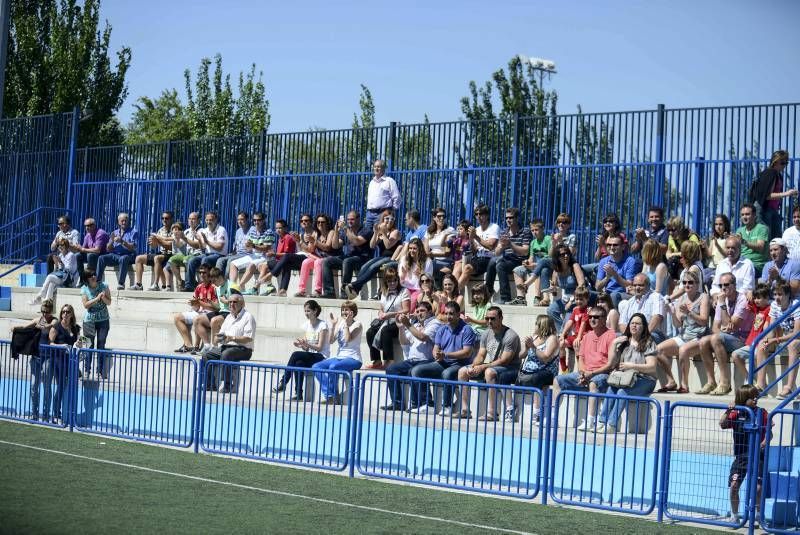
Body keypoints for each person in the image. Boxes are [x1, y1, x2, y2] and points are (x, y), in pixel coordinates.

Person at [596, 313, 658, 434]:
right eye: (632, 323)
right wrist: (614, 344)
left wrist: (632, 366)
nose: (634, 326)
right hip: (626, 379)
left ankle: (612, 424)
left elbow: (652, 367)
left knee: (622, 392)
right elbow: (612, 362)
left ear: (644, 327)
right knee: (611, 389)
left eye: (638, 323)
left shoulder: (648, 342)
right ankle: (602, 422)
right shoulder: (624, 342)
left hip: (645, 380)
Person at [557, 306, 616, 432]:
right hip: (586, 373)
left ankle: (590, 420)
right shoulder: (587, 336)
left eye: (596, 317)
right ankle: (553, 416)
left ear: (604, 319)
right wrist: (583, 373)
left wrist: (591, 374)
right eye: (590, 317)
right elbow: (581, 359)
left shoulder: (611, 335)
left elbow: (610, 365)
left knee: (594, 383)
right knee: (557, 380)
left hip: (603, 373)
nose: (592, 319)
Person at [456, 306, 521, 420]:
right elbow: (481, 355)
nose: (489, 321)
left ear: (501, 318)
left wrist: (483, 367)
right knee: (463, 371)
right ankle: (465, 410)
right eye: (487, 318)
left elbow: (504, 360)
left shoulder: (511, 335)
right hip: (494, 365)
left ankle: (492, 412)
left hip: (511, 369)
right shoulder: (486, 333)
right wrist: (473, 366)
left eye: (493, 318)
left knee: (489, 372)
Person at [411, 301, 475, 414]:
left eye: (451, 313)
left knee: (447, 374)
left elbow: (467, 353)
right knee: (417, 370)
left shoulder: (467, 329)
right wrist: (436, 354)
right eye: (446, 313)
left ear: (458, 314)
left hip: (460, 364)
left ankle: (447, 406)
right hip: (443, 362)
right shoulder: (442, 329)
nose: (448, 316)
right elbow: (436, 347)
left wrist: (445, 354)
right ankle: (427, 404)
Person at [719, 384, 770, 525]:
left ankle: (759, 516)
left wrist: (764, 442)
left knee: (758, 488)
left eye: (756, 396)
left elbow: (769, 432)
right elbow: (722, 424)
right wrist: (728, 411)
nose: (755, 399)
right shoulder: (737, 412)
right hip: (741, 457)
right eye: (752, 397)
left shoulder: (762, 413)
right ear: (743, 398)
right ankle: (735, 516)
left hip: (757, 455)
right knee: (734, 486)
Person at [697, 272, 755, 396]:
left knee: (716, 338)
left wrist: (722, 305)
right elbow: (715, 327)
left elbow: (733, 324)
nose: (723, 288)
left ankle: (724, 382)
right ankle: (711, 381)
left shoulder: (742, 299)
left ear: (734, 285)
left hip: (743, 339)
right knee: (703, 341)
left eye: (726, 284)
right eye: (721, 285)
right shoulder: (722, 300)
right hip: (730, 337)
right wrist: (724, 329)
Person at [656, 269, 710, 394]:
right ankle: (671, 381)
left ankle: (684, 385)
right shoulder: (682, 299)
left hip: (699, 336)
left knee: (683, 349)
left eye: (690, 282)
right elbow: (678, 324)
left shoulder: (703, 297)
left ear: (697, 284)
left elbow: (704, 321)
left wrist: (689, 313)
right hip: (684, 335)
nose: (687, 285)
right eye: (684, 282)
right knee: (658, 349)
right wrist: (672, 312)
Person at [383, 301, 440, 412]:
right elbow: (404, 342)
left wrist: (408, 324)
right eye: (417, 311)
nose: (419, 313)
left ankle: (426, 403)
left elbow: (423, 337)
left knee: (414, 371)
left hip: (427, 361)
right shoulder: (416, 325)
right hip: (412, 360)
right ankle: (397, 402)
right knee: (391, 369)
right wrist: (400, 327)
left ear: (430, 312)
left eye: (422, 311)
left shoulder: (434, 323)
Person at [272, 299, 330, 400]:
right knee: (299, 363)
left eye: (308, 311)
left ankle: (284, 382)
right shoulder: (306, 325)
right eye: (305, 311)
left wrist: (306, 344)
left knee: (295, 355)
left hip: (321, 357)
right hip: (311, 355)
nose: (306, 313)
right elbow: (307, 349)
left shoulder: (322, 325)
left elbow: (319, 348)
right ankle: (299, 394)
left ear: (315, 311)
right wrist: (301, 345)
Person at [202, 291, 256, 394]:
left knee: (226, 354)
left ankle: (227, 385)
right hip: (226, 346)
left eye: (234, 302)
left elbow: (248, 338)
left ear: (242, 304)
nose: (231, 304)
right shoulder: (229, 317)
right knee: (207, 355)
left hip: (243, 349)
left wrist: (232, 338)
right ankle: (210, 385)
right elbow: (222, 334)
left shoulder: (248, 317)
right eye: (230, 302)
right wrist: (218, 338)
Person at [11, 299, 57, 421]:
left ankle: (46, 415)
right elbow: (26, 326)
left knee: (47, 387)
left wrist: (43, 325)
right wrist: (16, 328)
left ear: (51, 311)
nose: (44, 314)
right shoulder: (38, 319)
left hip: (48, 359)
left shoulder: (54, 320)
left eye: (46, 312)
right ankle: (34, 413)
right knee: (33, 386)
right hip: (35, 358)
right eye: (42, 311)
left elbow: (50, 325)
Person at [754, 280, 800, 398]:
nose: (776, 298)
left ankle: (789, 387)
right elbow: (772, 330)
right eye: (774, 294)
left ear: (788, 295)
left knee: (793, 344)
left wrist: (775, 340)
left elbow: (796, 333)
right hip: (783, 338)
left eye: (780, 294)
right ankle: (760, 385)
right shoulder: (774, 305)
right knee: (761, 344)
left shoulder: (796, 305)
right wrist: (767, 340)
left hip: (795, 339)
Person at [312, 300, 363, 404]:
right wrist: (334, 325)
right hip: (339, 357)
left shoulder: (358, 324)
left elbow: (348, 339)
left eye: (347, 310)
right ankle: (330, 395)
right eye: (343, 310)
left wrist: (347, 325)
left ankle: (334, 397)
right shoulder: (340, 324)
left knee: (333, 367)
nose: (344, 312)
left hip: (353, 358)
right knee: (316, 366)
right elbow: (331, 341)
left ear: (352, 312)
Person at [343, 209, 401, 299]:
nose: (389, 221)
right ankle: (356, 290)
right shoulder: (382, 231)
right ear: (382, 220)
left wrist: (384, 234)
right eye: (387, 219)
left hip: (392, 257)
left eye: (392, 219)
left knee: (373, 267)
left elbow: (388, 246)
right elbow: (372, 245)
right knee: (364, 266)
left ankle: (354, 285)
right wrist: (376, 232)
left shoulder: (395, 232)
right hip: (382, 257)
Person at [514, 315, 559, 422]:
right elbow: (521, 356)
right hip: (528, 371)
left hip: (547, 372)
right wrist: (526, 347)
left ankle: (537, 412)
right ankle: (510, 408)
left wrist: (533, 347)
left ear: (542, 326)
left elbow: (545, 358)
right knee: (504, 376)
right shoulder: (534, 337)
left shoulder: (552, 339)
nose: (535, 326)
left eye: (536, 324)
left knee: (537, 378)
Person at [364, 267, 410, 370]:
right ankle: (377, 361)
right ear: (386, 282)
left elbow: (406, 310)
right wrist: (381, 313)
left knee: (386, 331)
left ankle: (389, 360)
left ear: (398, 280)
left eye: (395, 280)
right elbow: (381, 309)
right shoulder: (384, 292)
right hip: (386, 321)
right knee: (370, 332)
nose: (392, 283)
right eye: (389, 281)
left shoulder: (404, 291)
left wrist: (390, 314)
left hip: (400, 321)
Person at [485, 207, 532, 305]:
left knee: (500, 265)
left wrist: (510, 244)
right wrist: (502, 246)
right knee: (493, 260)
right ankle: (488, 291)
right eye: (506, 218)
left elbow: (525, 251)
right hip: (508, 259)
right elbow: (496, 252)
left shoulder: (525, 231)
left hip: (520, 260)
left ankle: (505, 297)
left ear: (517, 218)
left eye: (511, 218)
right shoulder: (504, 232)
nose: (508, 220)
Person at [322, 211, 372, 299]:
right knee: (327, 261)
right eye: (348, 219)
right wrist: (337, 231)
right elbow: (335, 245)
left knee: (347, 261)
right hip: (349, 258)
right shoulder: (346, 231)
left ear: (358, 219)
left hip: (362, 258)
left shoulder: (366, 231)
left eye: (352, 219)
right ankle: (329, 291)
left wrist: (345, 228)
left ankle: (344, 291)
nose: (349, 222)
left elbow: (356, 241)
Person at [265, 214, 317, 297]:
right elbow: (300, 250)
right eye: (302, 221)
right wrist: (297, 240)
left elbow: (310, 250)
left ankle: (270, 274)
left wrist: (299, 241)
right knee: (286, 263)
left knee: (287, 256)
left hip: (310, 257)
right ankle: (283, 290)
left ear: (311, 222)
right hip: (301, 256)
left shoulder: (314, 233)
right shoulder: (301, 234)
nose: (304, 222)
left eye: (306, 221)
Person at [47, 304, 81, 424]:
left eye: (68, 312)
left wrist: (79, 344)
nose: (65, 314)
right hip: (58, 360)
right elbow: (50, 343)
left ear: (72, 314)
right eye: (63, 312)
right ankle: (56, 414)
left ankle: (71, 415)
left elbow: (78, 342)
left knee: (72, 387)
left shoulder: (75, 328)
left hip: (71, 361)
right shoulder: (56, 327)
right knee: (60, 386)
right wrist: (62, 346)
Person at [750, 149, 795, 239]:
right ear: (775, 161)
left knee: (776, 240)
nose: (784, 165)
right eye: (782, 162)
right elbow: (767, 195)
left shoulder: (778, 175)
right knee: (766, 239)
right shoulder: (770, 173)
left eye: (786, 163)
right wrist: (786, 193)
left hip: (772, 210)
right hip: (764, 210)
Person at [172, 265, 218, 353]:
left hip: (209, 314)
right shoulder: (199, 287)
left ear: (209, 273)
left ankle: (197, 346)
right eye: (200, 272)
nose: (202, 274)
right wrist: (193, 304)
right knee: (177, 317)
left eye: (204, 272)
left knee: (198, 318)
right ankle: (188, 345)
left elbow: (215, 308)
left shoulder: (214, 287)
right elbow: (196, 306)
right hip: (199, 312)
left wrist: (200, 303)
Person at [545, 245, 587, 332]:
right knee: (551, 310)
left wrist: (571, 301)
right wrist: (552, 289)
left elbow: (581, 286)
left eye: (567, 253)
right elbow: (555, 292)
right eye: (562, 254)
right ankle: (561, 332)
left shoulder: (574, 266)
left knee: (568, 320)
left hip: (577, 299)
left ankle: (562, 334)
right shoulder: (556, 270)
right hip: (565, 300)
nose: (566, 256)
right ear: (557, 257)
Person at [458, 204, 499, 290]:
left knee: (467, 268)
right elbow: (474, 251)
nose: (478, 217)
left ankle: (455, 292)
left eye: (481, 214)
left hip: (489, 259)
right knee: (458, 265)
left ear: (487, 215)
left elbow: (491, 246)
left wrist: (475, 236)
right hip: (477, 258)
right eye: (476, 214)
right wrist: (471, 239)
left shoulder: (494, 227)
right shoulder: (477, 229)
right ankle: (453, 291)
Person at [80, 269, 112, 380]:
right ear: (86, 279)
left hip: (103, 320)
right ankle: (87, 370)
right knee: (88, 345)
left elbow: (109, 302)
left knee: (101, 344)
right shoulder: (84, 289)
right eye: (90, 276)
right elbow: (85, 305)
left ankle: (100, 371)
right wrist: (97, 298)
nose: (93, 277)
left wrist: (103, 298)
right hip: (89, 321)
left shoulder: (104, 286)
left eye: (94, 274)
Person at [296, 214, 338, 298]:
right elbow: (310, 250)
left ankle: (318, 290)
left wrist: (315, 241)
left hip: (328, 258)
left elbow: (327, 247)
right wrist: (300, 241)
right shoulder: (316, 234)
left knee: (318, 262)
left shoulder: (331, 232)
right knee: (306, 262)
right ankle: (301, 290)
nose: (320, 224)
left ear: (327, 223)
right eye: (318, 222)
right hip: (317, 257)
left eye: (322, 222)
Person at [510, 217, 550, 306]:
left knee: (539, 269)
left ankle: (537, 297)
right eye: (532, 230)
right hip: (534, 265)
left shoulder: (548, 239)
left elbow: (550, 257)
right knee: (517, 270)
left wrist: (534, 264)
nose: (534, 232)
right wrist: (527, 262)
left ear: (542, 229)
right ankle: (521, 298)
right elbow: (531, 257)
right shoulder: (533, 242)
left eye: (536, 230)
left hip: (544, 266)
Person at [185, 211, 228, 292]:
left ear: (216, 220)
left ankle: (204, 284)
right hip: (207, 254)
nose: (208, 222)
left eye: (211, 220)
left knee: (205, 260)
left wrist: (207, 241)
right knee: (192, 260)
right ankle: (189, 285)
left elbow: (219, 247)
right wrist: (199, 240)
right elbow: (203, 248)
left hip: (219, 254)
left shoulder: (221, 230)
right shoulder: (205, 230)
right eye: (207, 220)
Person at [618, 273, 666, 343]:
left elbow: (657, 317)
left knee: (645, 341)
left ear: (648, 285)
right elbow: (622, 323)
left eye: (641, 285)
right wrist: (629, 336)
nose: (637, 288)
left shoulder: (656, 297)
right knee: (616, 339)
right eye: (635, 285)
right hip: (633, 335)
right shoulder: (630, 302)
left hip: (653, 333)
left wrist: (644, 335)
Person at [232, 212, 275, 290]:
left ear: (263, 220)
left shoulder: (269, 232)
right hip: (253, 255)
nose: (256, 222)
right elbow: (249, 248)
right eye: (254, 220)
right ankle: (232, 286)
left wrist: (254, 246)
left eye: (258, 220)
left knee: (251, 264)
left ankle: (239, 287)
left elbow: (266, 248)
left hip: (264, 256)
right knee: (233, 264)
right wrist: (247, 245)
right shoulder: (252, 231)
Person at [132, 211, 174, 291]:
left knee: (157, 258)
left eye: (167, 218)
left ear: (171, 219)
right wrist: (152, 243)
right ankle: (139, 284)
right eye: (163, 218)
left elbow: (169, 246)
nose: (164, 220)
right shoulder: (160, 230)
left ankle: (156, 284)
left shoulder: (174, 230)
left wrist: (158, 241)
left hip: (170, 253)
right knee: (139, 258)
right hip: (161, 253)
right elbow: (155, 246)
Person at [193, 267, 231, 351]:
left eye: (214, 281)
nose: (213, 284)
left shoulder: (231, 286)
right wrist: (212, 303)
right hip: (221, 312)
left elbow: (239, 303)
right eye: (212, 281)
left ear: (220, 277)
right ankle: (207, 345)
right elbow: (219, 307)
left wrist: (227, 301)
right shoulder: (217, 288)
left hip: (230, 313)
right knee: (197, 319)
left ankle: (215, 347)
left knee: (214, 320)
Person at [29, 238, 78, 304]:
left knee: (49, 277)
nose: (60, 247)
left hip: (70, 280)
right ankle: (47, 303)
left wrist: (60, 261)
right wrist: (57, 264)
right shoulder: (60, 255)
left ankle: (39, 297)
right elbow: (60, 270)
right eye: (58, 245)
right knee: (51, 283)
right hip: (63, 278)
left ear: (66, 246)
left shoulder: (71, 255)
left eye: (62, 245)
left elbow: (69, 269)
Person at [96, 212, 138, 290]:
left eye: (126, 220)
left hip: (128, 254)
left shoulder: (133, 232)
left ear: (128, 221)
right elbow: (108, 249)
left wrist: (122, 241)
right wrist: (111, 242)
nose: (124, 222)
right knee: (101, 258)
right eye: (122, 221)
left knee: (123, 258)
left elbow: (132, 247)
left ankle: (121, 283)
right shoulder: (114, 233)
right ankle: (98, 282)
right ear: (118, 222)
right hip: (115, 254)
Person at [595, 234, 637, 306]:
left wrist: (614, 274)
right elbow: (597, 287)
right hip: (607, 293)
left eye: (615, 245)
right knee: (588, 295)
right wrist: (607, 278)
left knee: (613, 296)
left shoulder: (630, 261)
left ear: (623, 247)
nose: (611, 247)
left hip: (623, 293)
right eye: (609, 245)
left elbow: (629, 285)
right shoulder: (603, 261)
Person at [557, 287, 591, 374]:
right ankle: (564, 370)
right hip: (576, 335)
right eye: (577, 299)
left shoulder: (587, 310)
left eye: (581, 299)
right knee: (561, 344)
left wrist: (579, 337)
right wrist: (563, 334)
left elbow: (583, 324)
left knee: (577, 345)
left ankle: (580, 370)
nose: (578, 301)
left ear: (587, 299)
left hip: (585, 336)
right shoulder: (575, 309)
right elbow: (570, 322)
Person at [166, 213, 202, 291]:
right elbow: (180, 245)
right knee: (172, 260)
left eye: (193, 219)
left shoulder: (201, 231)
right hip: (187, 255)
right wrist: (176, 239)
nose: (191, 221)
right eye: (189, 219)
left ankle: (189, 284)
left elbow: (196, 246)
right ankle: (181, 281)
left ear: (198, 220)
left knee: (187, 260)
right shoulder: (186, 231)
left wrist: (184, 238)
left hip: (197, 254)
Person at [365, 159, 400, 232]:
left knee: (380, 234)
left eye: (378, 167)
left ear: (383, 169)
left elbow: (397, 197)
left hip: (382, 213)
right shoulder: (372, 182)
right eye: (375, 167)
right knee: (367, 234)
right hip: (370, 214)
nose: (376, 169)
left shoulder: (389, 181)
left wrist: (391, 212)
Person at [397, 237, 432, 310]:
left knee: (411, 304)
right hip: (405, 288)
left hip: (418, 289)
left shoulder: (427, 261)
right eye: (410, 248)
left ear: (420, 249)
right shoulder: (404, 259)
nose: (411, 251)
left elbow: (429, 281)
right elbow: (401, 280)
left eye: (414, 248)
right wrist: (403, 274)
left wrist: (420, 274)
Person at [71, 218, 109, 283]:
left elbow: (97, 250)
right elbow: (83, 249)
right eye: (86, 226)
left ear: (94, 225)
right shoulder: (88, 235)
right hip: (93, 255)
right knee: (78, 255)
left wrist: (83, 249)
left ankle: (91, 278)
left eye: (89, 225)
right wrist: (76, 247)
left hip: (102, 256)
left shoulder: (100, 233)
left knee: (91, 255)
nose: (87, 227)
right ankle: (82, 280)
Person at [423, 207, 455, 283]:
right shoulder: (429, 231)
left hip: (446, 262)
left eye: (443, 216)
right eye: (439, 216)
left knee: (432, 269)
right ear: (434, 218)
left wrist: (432, 254)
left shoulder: (449, 230)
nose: (441, 218)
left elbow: (447, 253)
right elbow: (426, 250)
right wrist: (430, 255)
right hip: (432, 261)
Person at [735, 203, 770, 274]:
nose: (744, 217)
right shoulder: (739, 230)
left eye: (747, 214)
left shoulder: (762, 228)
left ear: (754, 215)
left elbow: (760, 247)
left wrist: (744, 242)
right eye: (742, 215)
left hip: (756, 265)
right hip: (741, 263)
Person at [215, 211, 251, 278]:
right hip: (238, 254)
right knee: (220, 260)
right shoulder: (238, 231)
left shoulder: (252, 230)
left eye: (242, 219)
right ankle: (217, 279)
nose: (239, 221)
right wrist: (232, 253)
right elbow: (236, 246)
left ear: (247, 220)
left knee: (231, 260)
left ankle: (225, 280)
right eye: (238, 220)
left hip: (247, 255)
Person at [702, 214, 731, 284]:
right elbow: (709, 254)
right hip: (711, 266)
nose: (718, 227)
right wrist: (705, 245)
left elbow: (727, 254)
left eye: (720, 224)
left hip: (720, 267)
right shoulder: (714, 238)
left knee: (705, 279)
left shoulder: (728, 238)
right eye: (716, 224)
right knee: (698, 276)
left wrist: (717, 245)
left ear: (725, 225)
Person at [450, 220, 472, 288]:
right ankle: (453, 288)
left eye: (461, 229)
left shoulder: (469, 241)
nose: (459, 230)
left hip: (463, 262)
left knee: (458, 265)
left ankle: (453, 289)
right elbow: (443, 244)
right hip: (455, 262)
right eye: (458, 229)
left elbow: (469, 253)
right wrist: (446, 236)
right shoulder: (456, 240)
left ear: (466, 231)